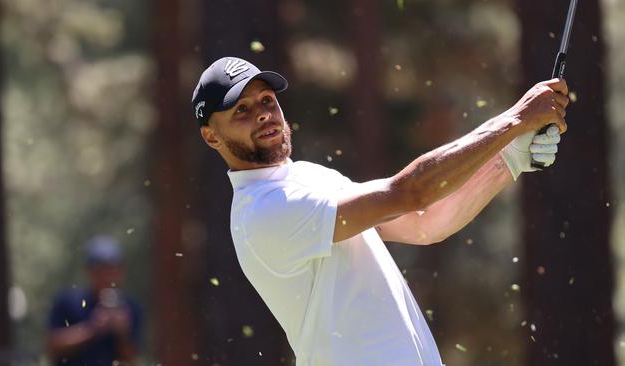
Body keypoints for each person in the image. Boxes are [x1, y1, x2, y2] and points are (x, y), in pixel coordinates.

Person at [192, 57, 567, 365]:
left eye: (267, 101)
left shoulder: (309, 177)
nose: (262, 114)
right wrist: (513, 121)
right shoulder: (264, 212)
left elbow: (424, 223)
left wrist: (509, 159)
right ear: (212, 136)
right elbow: (409, 193)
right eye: (241, 109)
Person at [46, 236, 141, 366]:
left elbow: (131, 359)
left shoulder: (130, 308)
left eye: (112, 269)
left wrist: (122, 334)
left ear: (121, 271)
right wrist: (93, 328)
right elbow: (53, 347)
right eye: (101, 269)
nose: (107, 276)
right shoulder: (69, 301)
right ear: (88, 271)